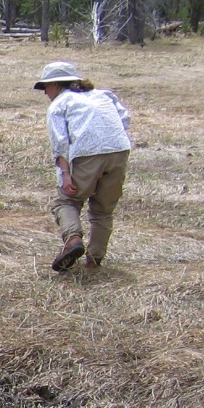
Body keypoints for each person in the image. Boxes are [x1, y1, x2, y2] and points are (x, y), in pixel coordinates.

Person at [34, 60, 132, 273]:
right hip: (119, 150)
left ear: (58, 85)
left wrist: (66, 175)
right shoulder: (104, 95)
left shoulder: (60, 105)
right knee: (103, 211)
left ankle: (72, 240)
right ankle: (94, 262)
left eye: (46, 86)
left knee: (66, 201)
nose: (45, 92)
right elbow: (124, 119)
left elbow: (60, 143)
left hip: (87, 154)